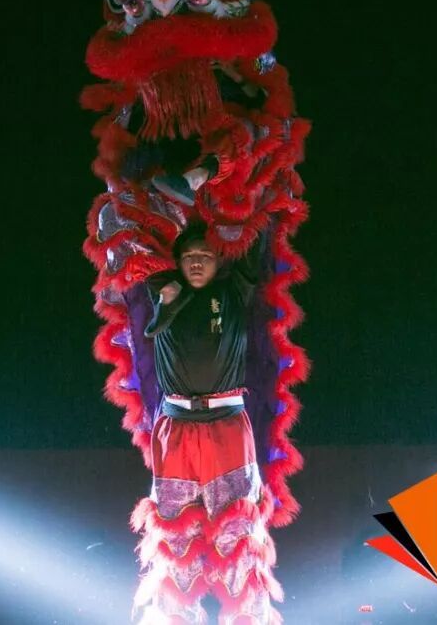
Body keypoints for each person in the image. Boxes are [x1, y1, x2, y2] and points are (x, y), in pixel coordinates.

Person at [131, 224, 281, 624]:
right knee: (176, 537)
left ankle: (248, 619)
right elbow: (134, 244)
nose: (196, 263)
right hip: (176, 428)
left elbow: (253, 237)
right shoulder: (162, 292)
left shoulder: (234, 293)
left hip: (227, 426)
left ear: (219, 261)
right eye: (189, 257)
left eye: (205, 256)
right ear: (178, 262)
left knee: (237, 531)